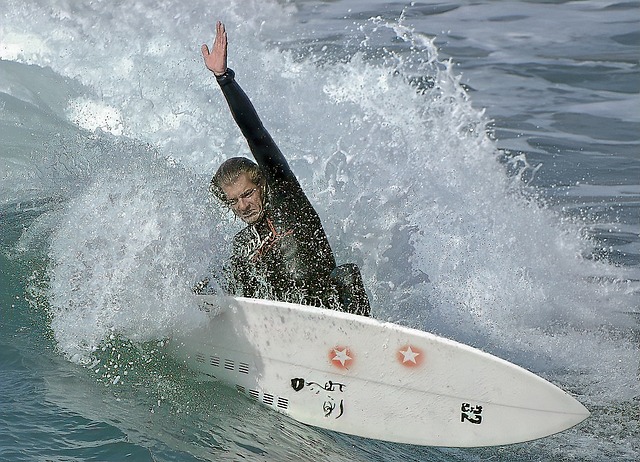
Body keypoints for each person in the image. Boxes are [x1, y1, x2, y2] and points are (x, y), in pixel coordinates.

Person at [199, 21, 370, 316]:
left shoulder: (286, 199)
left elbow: (256, 133)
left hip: (333, 314)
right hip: (287, 328)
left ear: (262, 185)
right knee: (224, 279)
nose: (243, 205)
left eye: (247, 193)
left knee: (347, 275)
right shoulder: (244, 246)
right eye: (233, 201)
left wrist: (224, 79)